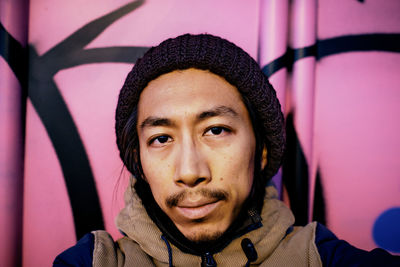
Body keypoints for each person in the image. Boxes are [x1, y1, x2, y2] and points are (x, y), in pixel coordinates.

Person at [54, 34, 399, 267]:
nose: (189, 171)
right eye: (161, 138)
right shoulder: (95, 260)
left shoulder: (317, 257)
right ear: (139, 163)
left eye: (216, 130)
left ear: (261, 152)